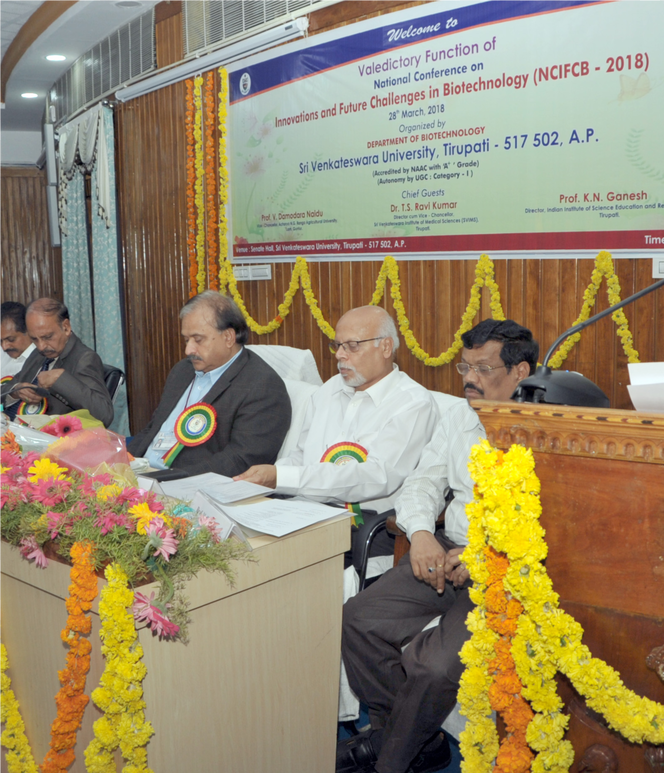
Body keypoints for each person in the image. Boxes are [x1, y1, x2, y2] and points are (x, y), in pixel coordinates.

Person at [338, 319, 538, 773]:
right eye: (464, 368)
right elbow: (423, 482)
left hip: (509, 569)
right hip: (446, 549)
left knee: (430, 665)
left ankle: (390, 758)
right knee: (359, 619)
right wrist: (422, 532)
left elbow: (551, 523)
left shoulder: (553, 430)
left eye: (483, 369)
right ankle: (412, 740)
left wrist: (485, 556)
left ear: (520, 371)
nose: (469, 379)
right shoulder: (460, 417)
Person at [236, 306, 438, 517]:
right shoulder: (329, 389)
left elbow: (376, 477)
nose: (340, 355)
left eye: (352, 346)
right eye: (338, 346)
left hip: (363, 523)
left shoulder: (413, 403)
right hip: (302, 508)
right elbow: (300, 456)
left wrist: (283, 478)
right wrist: (274, 475)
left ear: (386, 347)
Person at [128, 291, 291, 477]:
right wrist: (121, 461)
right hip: (141, 474)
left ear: (229, 337)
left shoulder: (262, 386)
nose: (188, 350)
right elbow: (154, 428)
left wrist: (162, 478)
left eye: (198, 340)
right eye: (186, 340)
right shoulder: (182, 371)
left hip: (187, 486)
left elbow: (240, 460)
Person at [4, 298, 113, 425]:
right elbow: (5, 389)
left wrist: (61, 380)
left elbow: (104, 415)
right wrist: (16, 391)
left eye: (47, 337)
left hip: (57, 440)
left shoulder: (85, 358)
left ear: (66, 327)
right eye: (34, 339)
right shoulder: (38, 354)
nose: (41, 346)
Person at [1, 302, 36, 381]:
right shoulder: (3, 352)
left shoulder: (41, 360)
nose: (4, 347)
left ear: (28, 331)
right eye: (0, 341)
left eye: (10, 339)